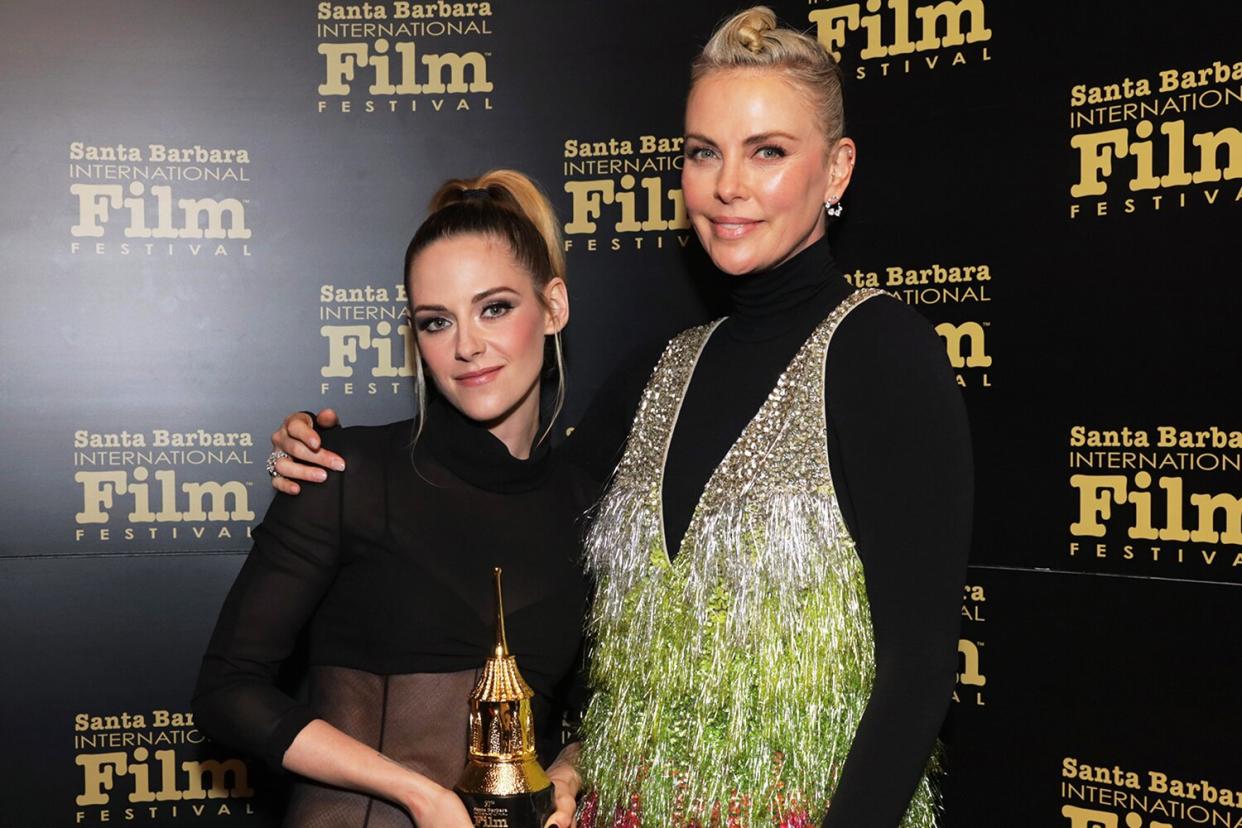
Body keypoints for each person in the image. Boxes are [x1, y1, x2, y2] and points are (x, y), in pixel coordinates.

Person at [272, 7, 972, 827]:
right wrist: (340, 460)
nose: (728, 185)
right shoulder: (658, 370)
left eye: (768, 151)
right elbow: (510, 500)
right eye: (703, 153)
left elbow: (920, 671)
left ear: (838, 169)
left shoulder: (882, 355)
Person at [193, 170, 589, 828]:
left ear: (552, 308)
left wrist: (571, 771)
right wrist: (420, 793)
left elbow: (596, 711)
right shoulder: (348, 475)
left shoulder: (588, 507)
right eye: (437, 322)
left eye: (495, 308)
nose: (467, 346)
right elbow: (227, 692)